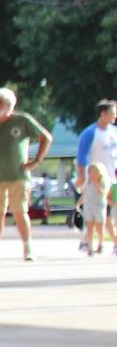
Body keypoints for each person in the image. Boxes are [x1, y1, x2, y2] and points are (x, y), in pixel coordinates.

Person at [0, 86, 51, 262]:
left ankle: (28, 248)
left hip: (18, 176)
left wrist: (36, 161)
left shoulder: (22, 120)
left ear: (8, 104)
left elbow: (46, 137)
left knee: (20, 212)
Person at [74, 100, 117, 255]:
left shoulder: (114, 132)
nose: (115, 116)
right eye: (113, 113)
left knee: (108, 212)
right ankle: (91, 242)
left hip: (112, 178)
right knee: (99, 212)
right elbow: (81, 156)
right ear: (103, 114)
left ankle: (88, 241)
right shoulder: (90, 133)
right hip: (95, 180)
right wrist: (81, 176)